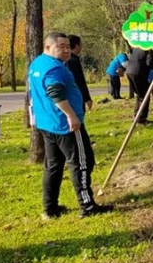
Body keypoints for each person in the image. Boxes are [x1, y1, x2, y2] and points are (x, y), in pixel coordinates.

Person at [28, 32, 113, 220]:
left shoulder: (38, 63)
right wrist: (71, 115)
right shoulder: (54, 68)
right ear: (48, 47)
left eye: (67, 46)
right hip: (65, 125)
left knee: (53, 166)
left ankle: (49, 208)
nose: (66, 50)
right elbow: (55, 92)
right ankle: (87, 206)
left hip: (47, 124)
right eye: (61, 46)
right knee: (82, 163)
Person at [126, 47, 153, 124]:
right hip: (138, 72)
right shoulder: (152, 47)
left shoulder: (139, 45)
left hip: (129, 71)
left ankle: (137, 116)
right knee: (145, 95)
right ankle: (141, 119)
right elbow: (149, 62)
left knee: (140, 95)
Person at [66, 35, 92, 112]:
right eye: (81, 44)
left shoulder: (63, 59)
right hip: (76, 96)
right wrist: (87, 98)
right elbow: (80, 80)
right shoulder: (73, 60)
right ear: (77, 45)